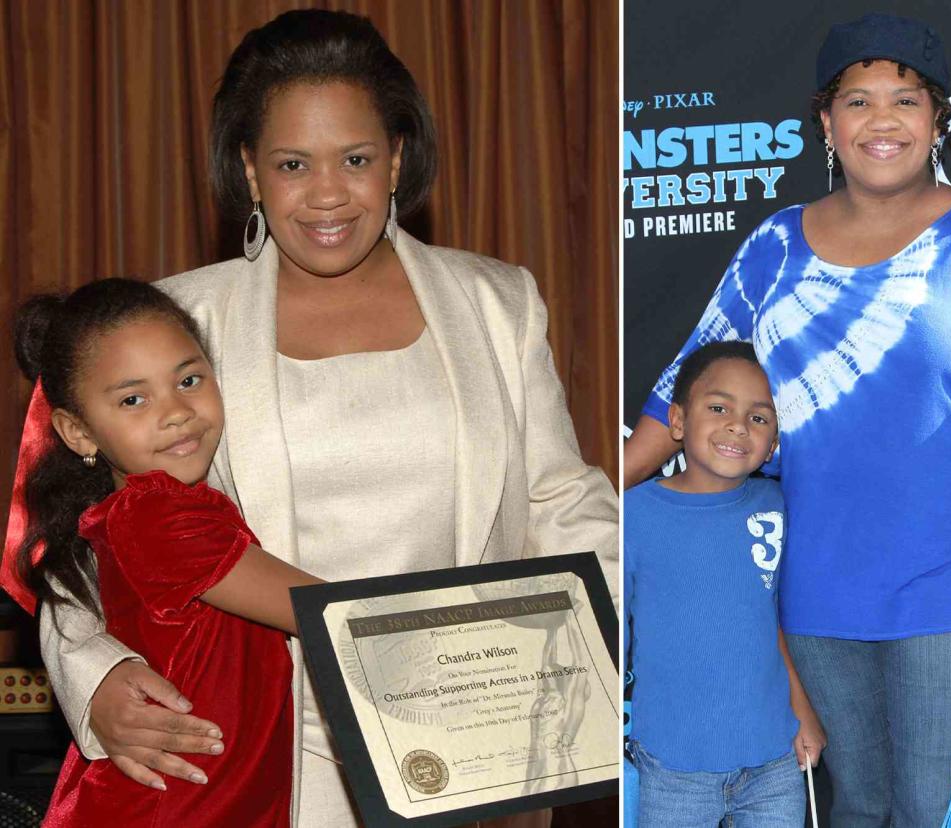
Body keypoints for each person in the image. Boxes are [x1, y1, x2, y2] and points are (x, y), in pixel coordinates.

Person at [34, 10, 617, 827]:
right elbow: (76, 519)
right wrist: (91, 675)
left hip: (474, 735)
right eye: (292, 164)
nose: (328, 194)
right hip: (260, 752)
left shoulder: (497, 301)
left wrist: (622, 646)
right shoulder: (172, 321)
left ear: (397, 160)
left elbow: (562, 504)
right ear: (249, 170)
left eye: (355, 158)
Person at [623, 13, 951, 826]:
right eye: (858, 100)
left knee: (939, 812)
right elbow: (682, 391)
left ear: (938, 120)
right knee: (860, 807)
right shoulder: (773, 247)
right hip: (816, 591)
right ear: (827, 123)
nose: (882, 121)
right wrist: (603, 486)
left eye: (904, 100)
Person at [8, 279, 322, 825]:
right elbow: (323, 608)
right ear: (77, 433)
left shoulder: (162, 509)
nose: (176, 411)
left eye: (189, 379)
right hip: (166, 810)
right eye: (134, 399)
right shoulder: (156, 519)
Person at [624, 341, 825, 828]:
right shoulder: (632, 515)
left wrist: (803, 712)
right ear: (677, 421)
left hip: (772, 761)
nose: (738, 425)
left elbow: (766, 621)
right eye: (718, 408)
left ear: (773, 442)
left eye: (759, 418)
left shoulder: (774, 506)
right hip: (673, 769)